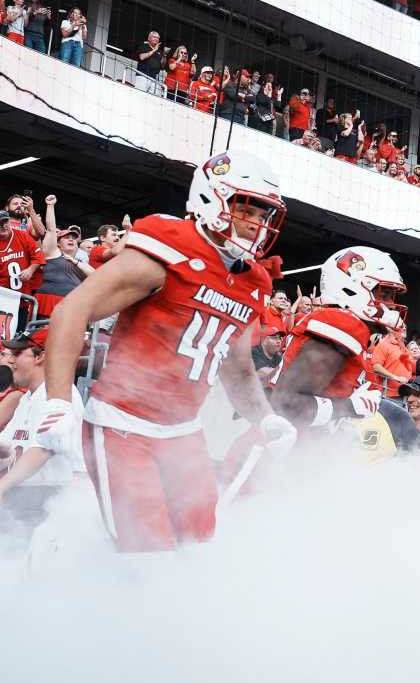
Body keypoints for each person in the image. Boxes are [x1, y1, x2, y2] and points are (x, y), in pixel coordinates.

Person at [40, 151, 294, 553]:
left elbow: (238, 366)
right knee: (146, 553)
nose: (257, 224)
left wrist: (265, 419)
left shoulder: (254, 281)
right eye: (248, 209)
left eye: (265, 215)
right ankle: (57, 555)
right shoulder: (171, 248)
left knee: (196, 547)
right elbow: (73, 310)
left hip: (184, 432)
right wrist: (57, 402)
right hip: (123, 424)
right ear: (212, 198)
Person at [233, 247, 405, 470]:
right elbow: (286, 404)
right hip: (272, 458)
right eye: (383, 294)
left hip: (292, 454)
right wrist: (349, 408)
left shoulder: (350, 326)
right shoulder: (344, 324)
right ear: (351, 287)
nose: (390, 305)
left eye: (391, 297)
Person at [0, 326, 86, 539]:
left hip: (52, 501)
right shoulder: (29, 397)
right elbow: (7, 447)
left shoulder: (60, 396)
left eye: (19, 354)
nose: (12, 361)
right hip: (28, 498)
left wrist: (2, 486)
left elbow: (43, 450)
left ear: (41, 357)